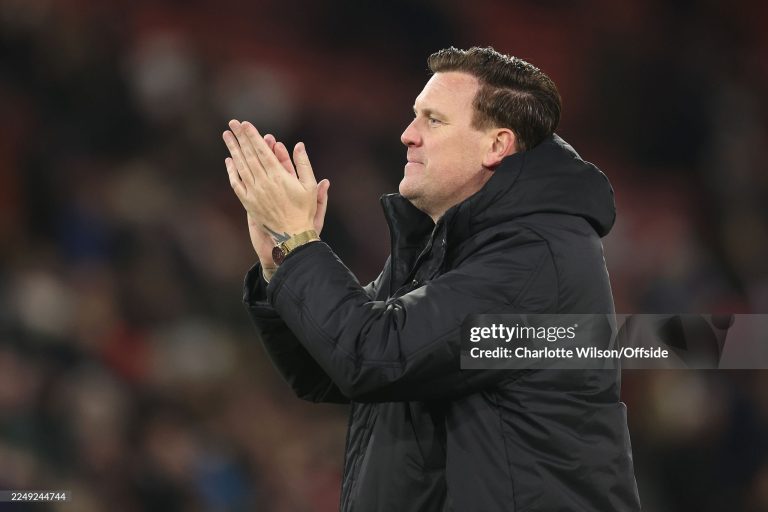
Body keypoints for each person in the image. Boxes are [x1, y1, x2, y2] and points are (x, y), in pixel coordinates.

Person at [222, 46, 641, 511]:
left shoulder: (532, 254)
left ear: (496, 145)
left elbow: (373, 357)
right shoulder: (450, 245)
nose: (407, 135)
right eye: (414, 116)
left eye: (433, 120)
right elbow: (328, 368)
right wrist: (281, 261)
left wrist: (302, 246)